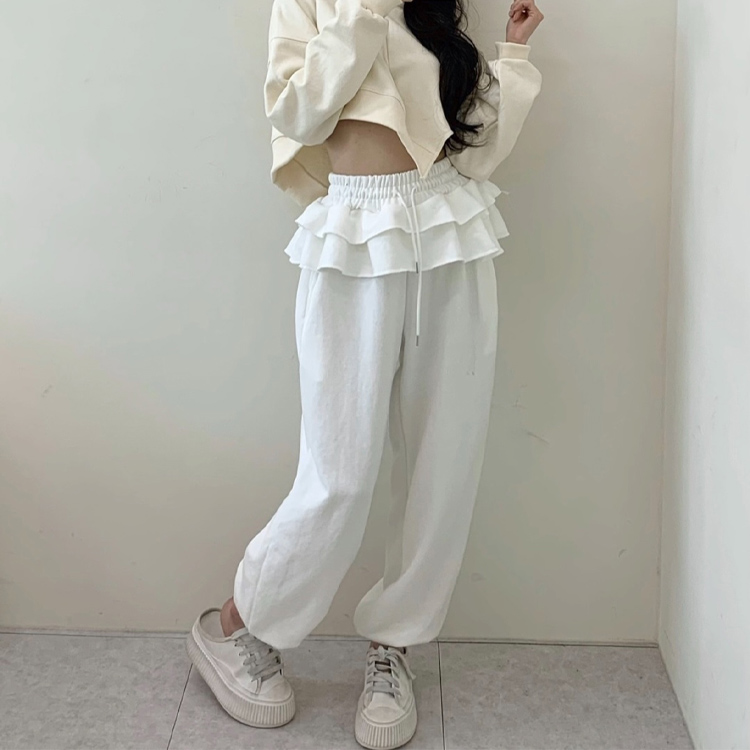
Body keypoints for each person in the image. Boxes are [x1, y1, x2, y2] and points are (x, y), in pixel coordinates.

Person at [186, 0, 543, 747]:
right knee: (339, 473)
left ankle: (394, 648)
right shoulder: (312, 5)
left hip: (449, 230)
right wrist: (361, 12)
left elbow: (474, 152)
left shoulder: (432, 8)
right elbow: (299, 113)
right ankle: (238, 625)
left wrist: (512, 55)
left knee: (443, 463)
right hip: (352, 233)